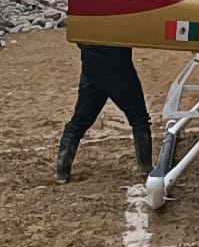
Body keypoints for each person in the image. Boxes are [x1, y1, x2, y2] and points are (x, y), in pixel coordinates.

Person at [55, 44, 152, 183]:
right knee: (140, 120)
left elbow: (77, 37)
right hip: (119, 69)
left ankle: (62, 171)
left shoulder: (84, 21)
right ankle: (146, 169)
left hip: (92, 68)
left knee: (78, 123)